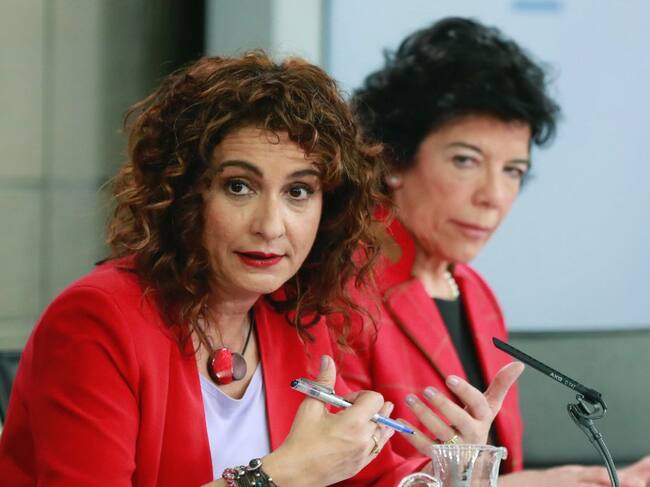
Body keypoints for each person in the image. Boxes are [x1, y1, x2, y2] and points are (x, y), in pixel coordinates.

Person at [0, 51, 522, 487]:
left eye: (299, 192)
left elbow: (371, 479)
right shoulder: (96, 320)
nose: (271, 225)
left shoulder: (296, 318)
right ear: (183, 195)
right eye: (239, 187)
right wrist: (279, 476)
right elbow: (299, 471)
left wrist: (455, 469)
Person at [347, 17, 650, 486]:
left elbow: (495, 472)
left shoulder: (476, 292)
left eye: (513, 170)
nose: (493, 195)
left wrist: (569, 480)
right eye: (466, 160)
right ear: (393, 159)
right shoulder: (339, 289)